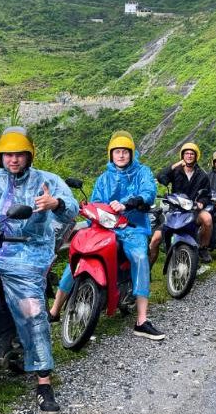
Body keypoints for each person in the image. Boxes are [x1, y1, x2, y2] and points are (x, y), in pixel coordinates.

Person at [0, 126, 79, 414]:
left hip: (29, 253)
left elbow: (72, 209)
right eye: (8, 154)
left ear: (29, 156)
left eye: (19, 154)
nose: (13, 160)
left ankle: (43, 382)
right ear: (0, 155)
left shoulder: (47, 180)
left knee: (32, 312)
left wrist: (56, 203)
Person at [48, 131, 164, 341]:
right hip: (105, 226)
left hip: (133, 227)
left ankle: (142, 320)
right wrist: (90, 211)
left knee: (139, 257)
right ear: (111, 154)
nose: (121, 155)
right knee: (78, 255)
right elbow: (96, 200)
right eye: (117, 152)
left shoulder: (142, 172)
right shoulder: (104, 178)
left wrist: (130, 202)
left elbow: (148, 192)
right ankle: (55, 310)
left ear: (131, 153)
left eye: (124, 152)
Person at [150, 142, 212, 264]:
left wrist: (201, 203)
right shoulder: (176, 171)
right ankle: (147, 271)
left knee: (208, 219)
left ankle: (203, 248)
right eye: (186, 153)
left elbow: (207, 195)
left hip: (193, 210)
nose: (189, 156)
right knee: (155, 239)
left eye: (192, 154)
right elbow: (160, 176)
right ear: (182, 155)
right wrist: (177, 164)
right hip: (175, 210)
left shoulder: (202, 175)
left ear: (196, 156)